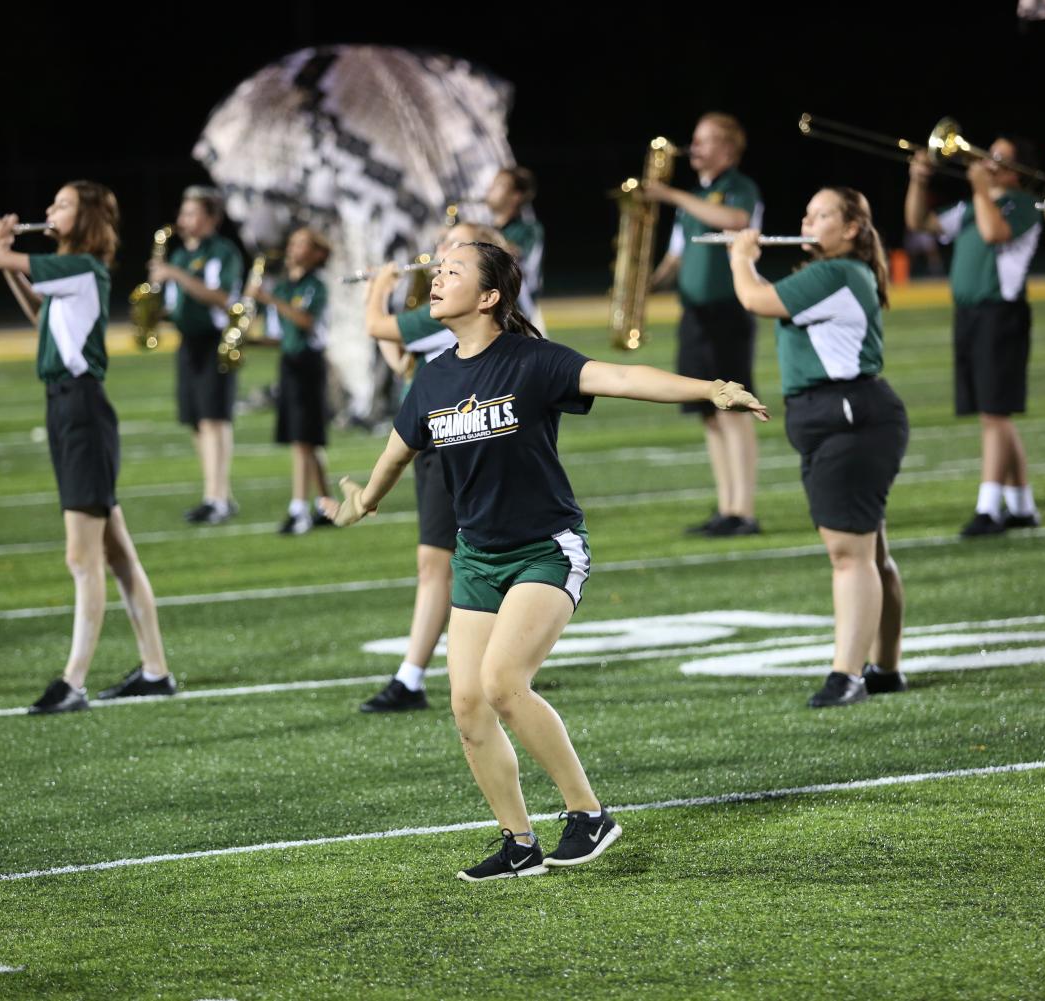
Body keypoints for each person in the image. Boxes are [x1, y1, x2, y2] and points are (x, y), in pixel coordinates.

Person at [323, 241, 767, 880]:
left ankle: (589, 815)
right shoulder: (434, 378)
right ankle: (518, 841)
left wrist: (710, 388)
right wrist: (362, 502)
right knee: (468, 705)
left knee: (504, 681)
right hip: (478, 559)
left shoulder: (530, 361)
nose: (437, 278)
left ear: (489, 297)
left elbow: (619, 377)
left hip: (546, 551)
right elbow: (397, 452)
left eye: (452, 272)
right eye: (439, 269)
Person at [0, 181, 177, 712]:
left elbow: (4, 253)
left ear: (87, 217)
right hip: (69, 409)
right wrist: (6, 265)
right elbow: (37, 314)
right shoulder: (70, 275)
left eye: (61, 204)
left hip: (81, 411)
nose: (48, 211)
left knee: (81, 556)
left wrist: (0, 247)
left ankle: (73, 682)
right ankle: (156, 670)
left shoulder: (83, 266)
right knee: (115, 554)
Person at [727, 189, 909, 708]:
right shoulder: (835, 275)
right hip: (844, 415)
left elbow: (756, 300)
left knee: (849, 556)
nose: (808, 221)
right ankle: (886, 669)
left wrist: (741, 259)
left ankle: (846, 674)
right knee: (871, 551)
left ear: (852, 228)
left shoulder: (837, 271)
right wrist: (749, 266)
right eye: (806, 212)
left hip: (846, 417)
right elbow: (772, 295)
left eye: (823, 214)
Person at [357, 222, 509, 712]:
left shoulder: (458, 312)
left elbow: (379, 330)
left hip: (456, 442)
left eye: (454, 250)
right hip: (438, 440)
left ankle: (414, 676)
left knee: (444, 563)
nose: (439, 256)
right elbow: (400, 357)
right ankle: (467, 666)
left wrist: (380, 290)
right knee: (450, 562)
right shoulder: (445, 313)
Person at [906, 139, 1044, 536]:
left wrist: (982, 189)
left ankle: (989, 509)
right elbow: (921, 223)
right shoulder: (970, 206)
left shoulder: (1022, 205)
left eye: (999, 157)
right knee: (994, 413)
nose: (985, 159)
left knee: (994, 414)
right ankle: (1022, 506)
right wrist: (919, 181)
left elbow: (994, 232)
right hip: (970, 315)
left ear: (1016, 172)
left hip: (1000, 314)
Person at [647, 112, 764, 537]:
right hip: (694, 315)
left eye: (706, 141)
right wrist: (649, 284)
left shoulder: (738, 188)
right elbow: (677, 256)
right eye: (694, 139)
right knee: (710, 413)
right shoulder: (697, 196)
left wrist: (672, 195)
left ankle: (745, 511)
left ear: (729, 150)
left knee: (733, 409)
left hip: (727, 313)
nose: (695, 147)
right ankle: (726, 507)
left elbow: (735, 221)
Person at [153, 186, 245, 525]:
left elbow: (221, 297)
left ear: (211, 218)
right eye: (183, 212)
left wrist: (174, 275)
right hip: (187, 343)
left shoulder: (222, 252)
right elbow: (179, 303)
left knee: (214, 420)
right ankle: (220, 494)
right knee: (196, 420)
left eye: (192, 213)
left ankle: (216, 499)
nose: (183, 220)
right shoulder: (178, 255)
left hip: (216, 342)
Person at [252, 227, 333, 535]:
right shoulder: (285, 287)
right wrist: (248, 340)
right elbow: (279, 335)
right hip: (289, 364)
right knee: (306, 440)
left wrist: (268, 298)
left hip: (309, 364)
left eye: (301, 244)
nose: (293, 248)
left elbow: (306, 321)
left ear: (317, 254)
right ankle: (326, 503)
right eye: (292, 241)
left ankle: (298, 509)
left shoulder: (316, 285)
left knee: (302, 440)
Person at [485, 167, 545, 325]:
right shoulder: (486, 229)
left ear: (516, 196)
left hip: (515, 314)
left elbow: (514, 255)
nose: (490, 189)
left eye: (499, 185)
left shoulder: (529, 230)